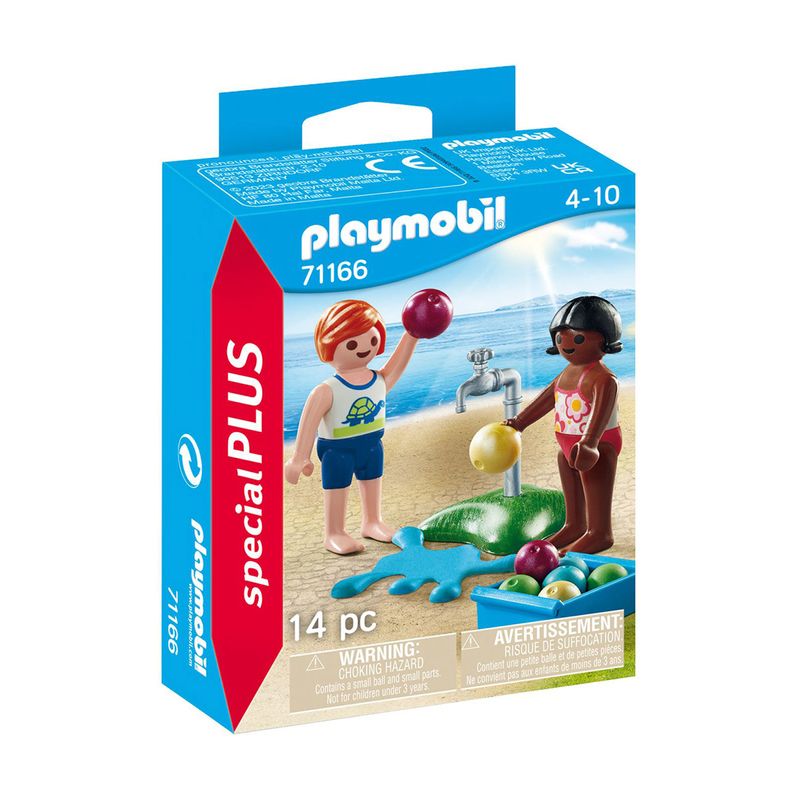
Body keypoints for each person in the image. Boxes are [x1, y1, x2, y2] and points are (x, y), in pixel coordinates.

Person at [284, 299, 418, 555]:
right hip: (337, 450)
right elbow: (309, 423)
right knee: (337, 486)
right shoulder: (326, 390)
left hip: (372, 444)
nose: (364, 348)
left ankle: (372, 521)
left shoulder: (378, 380)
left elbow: (397, 364)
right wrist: (299, 458)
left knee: (372, 479)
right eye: (352, 344)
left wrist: (412, 335)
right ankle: (334, 532)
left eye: (372, 339)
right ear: (329, 346)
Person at [505, 296, 623, 554]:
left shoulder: (603, 379)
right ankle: (575, 526)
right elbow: (548, 399)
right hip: (569, 447)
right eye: (560, 338)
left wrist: (590, 444)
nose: (567, 345)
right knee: (565, 465)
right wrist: (520, 422)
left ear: (604, 340)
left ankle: (599, 533)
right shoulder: (568, 373)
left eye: (578, 339)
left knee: (593, 479)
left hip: (597, 447)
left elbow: (600, 415)